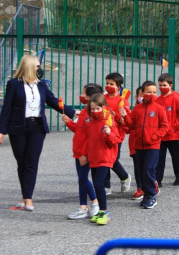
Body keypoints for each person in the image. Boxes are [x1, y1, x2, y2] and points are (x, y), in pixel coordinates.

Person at [0, 55, 77, 211]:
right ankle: (24, 196)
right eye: (37, 66)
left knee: (31, 162)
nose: (39, 68)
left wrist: (74, 112)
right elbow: (6, 108)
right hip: (18, 128)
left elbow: (53, 101)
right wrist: (1, 130)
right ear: (28, 67)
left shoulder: (41, 85)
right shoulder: (14, 84)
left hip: (37, 128)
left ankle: (28, 199)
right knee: (22, 163)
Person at [121, 81, 168, 209]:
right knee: (141, 170)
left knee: (148, 169)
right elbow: (131, 126)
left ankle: (151, 195)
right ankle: (146, 193)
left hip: (153, 145)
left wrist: (155, 136)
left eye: (154, 92)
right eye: (148, 92)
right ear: (143, 93)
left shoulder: (159, 108)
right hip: (139, 145)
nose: (151, 94)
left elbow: (164, 126)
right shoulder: (137, 109)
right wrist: (125, 116)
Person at [80, 93, 121, 225]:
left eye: (98, 108)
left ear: (104, 107)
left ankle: (104, 211)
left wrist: (109, 133)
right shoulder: (90, 121)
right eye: (93, 109)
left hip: (105, 157)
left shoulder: (109, 120)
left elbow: (116, 140)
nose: (95, 111)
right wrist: (84, 154)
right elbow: (88, 140)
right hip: (94, 157)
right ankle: (100, 211)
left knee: (98, 183)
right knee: (97, 185)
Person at [62, 83, 102, 220]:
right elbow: (80, 131)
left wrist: (84, 154)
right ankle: (83, 207)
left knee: (83, 178)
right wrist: (69, 122)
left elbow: (90, 136)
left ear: (91, 96)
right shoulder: (85, 111)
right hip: (78, 151)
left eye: (84, 94)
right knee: (81, 179)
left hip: (85, 152)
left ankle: (95, 203)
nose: (82, 96)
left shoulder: (92, 113)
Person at [155, 73, 179, 186]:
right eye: (160, 85)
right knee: (160, 157)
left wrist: (173, 128)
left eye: (164, 85)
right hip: (161, 135)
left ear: (170, 85)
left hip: (173, 134)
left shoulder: (176, 98)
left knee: (176, 156)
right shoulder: (157, 100)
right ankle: (158, 179)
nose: (162, 88)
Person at [103, 73, 132, 195]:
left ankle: (124, 176)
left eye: (112, 84)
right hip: (103, 133)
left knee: (113, 159)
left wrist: (118, 116)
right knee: (104, 159)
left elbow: (125, 119)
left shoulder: (122, 101)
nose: (108, 86)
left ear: (119, 87)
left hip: (117, 135)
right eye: (107, 83)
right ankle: (106, 186)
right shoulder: (102, 98)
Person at [130, 85, 145, 200]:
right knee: (137, 167)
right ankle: (140, 188)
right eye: (141, 94)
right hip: (135, 143)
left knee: (148, 167)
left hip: (149, 144)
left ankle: (150, 185)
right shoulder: (134, 110)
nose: (144, 97)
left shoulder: (154, 108)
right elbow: (128, 127)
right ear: (137, 96)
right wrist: (123, 117)